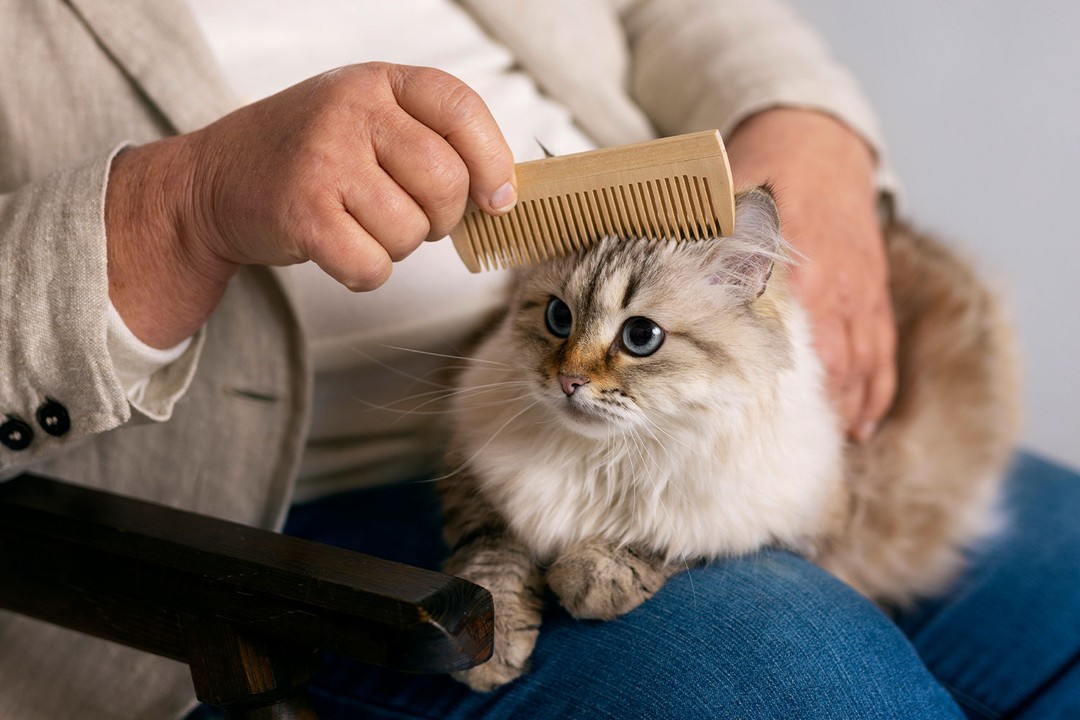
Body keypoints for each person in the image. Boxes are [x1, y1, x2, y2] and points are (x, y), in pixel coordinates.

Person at [0, 1, 1077, 718]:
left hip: (692, 377)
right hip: (281, 517)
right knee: (795, 677)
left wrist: (808, 133)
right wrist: (180, 207)